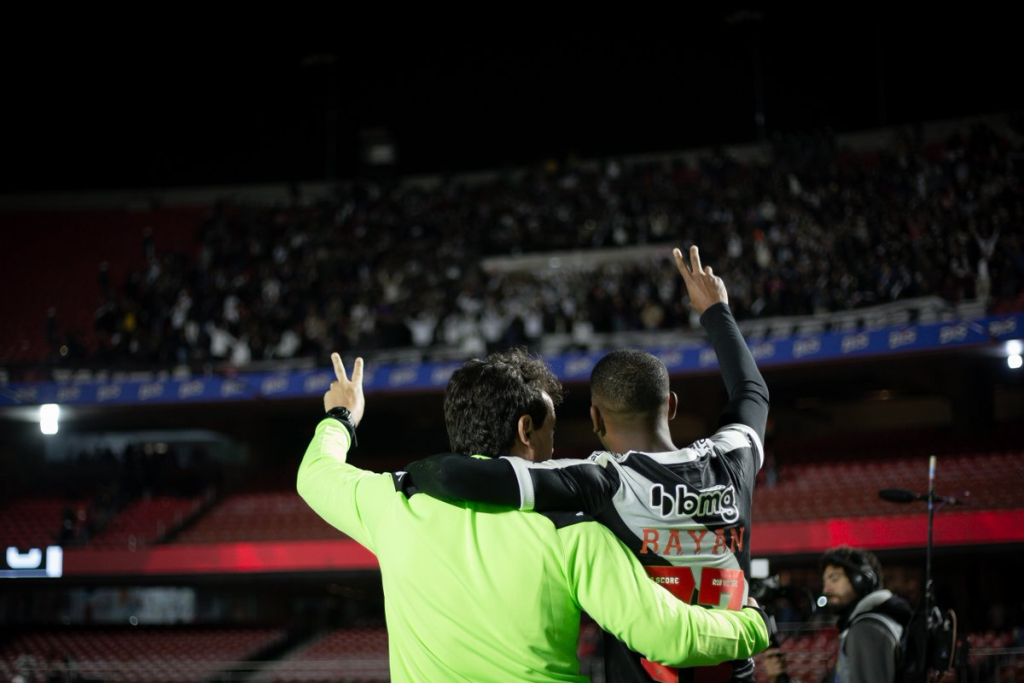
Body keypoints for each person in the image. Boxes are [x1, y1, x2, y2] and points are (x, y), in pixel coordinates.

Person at [404, 245, 770, 682]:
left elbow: (453, 474)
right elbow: (751, 391)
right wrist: (715, 311)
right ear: (671, 405)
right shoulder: (733, 457)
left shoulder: (602, 481)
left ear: (595, 418)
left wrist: (405, 479)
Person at [297, 349, 771, 683]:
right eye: (550, 429)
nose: (554, 445)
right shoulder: (574, 531)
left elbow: (315, 473)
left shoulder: (391, 503)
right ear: (526, 429)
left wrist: (342, 417)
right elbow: (668, 637)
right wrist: (752, 625)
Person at [820, 546, 912, 683]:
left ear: (861, 579)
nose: (826, 590)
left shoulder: (866, 629)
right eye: (824, 582)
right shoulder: (871, 623)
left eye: (834, 578)